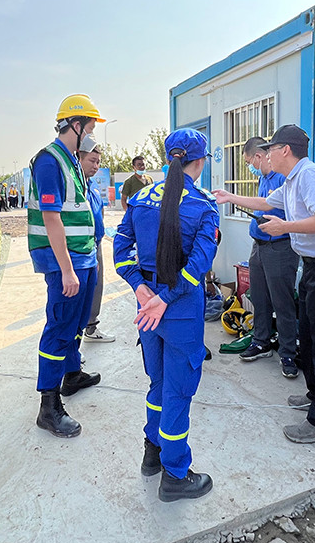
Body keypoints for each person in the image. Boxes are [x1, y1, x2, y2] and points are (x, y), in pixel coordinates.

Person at [213, 124, 315, 444]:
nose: (265, 156)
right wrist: (229, 196)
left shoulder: (310, 175)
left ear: (285, 150)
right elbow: (266, 204)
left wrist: (286, 227)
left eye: (270, 150)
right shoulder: (291, 181)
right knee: (310, 340)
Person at [113, 128, 219, 502]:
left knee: (157, 382)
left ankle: (152, 452)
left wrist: (141, 289)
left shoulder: (140, 198)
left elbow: (121, 247)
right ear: (199, 162)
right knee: (178, 389)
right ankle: (175, 473)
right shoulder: (204, 205)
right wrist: (166, 297)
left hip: (147, 308)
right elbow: (199, 263)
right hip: (180, 309)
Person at [27, 94, 105, 438]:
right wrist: (68, 270)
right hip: (65, 262)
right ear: (75, 125)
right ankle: (48, 405)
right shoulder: (49, 161)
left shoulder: (72, 160)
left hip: (83, 256)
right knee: (59, 327)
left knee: (76, 322)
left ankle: (72, 374)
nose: (92, 134)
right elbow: (51, 219)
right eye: (90, 127)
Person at [237, 136, 300, 378]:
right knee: (259, 298)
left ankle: (288, 353)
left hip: (280, 248)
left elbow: (293, 211)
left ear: (258, 156)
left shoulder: (283, 178)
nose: (249, 167)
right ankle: (261, 341)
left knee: (282, 303)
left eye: (248, 162)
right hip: (259, 247)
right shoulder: (263, 178)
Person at [79, 134, 116, 344]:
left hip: (96, 243)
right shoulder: (75, 187)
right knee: (80, 293)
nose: (96, 166)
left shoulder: (92, 186)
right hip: (81, 247)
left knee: (96, 287)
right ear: (79, 159)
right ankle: (72, 345)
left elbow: (99, 211)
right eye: (92, 161)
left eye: (98, 162)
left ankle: (91, 328)